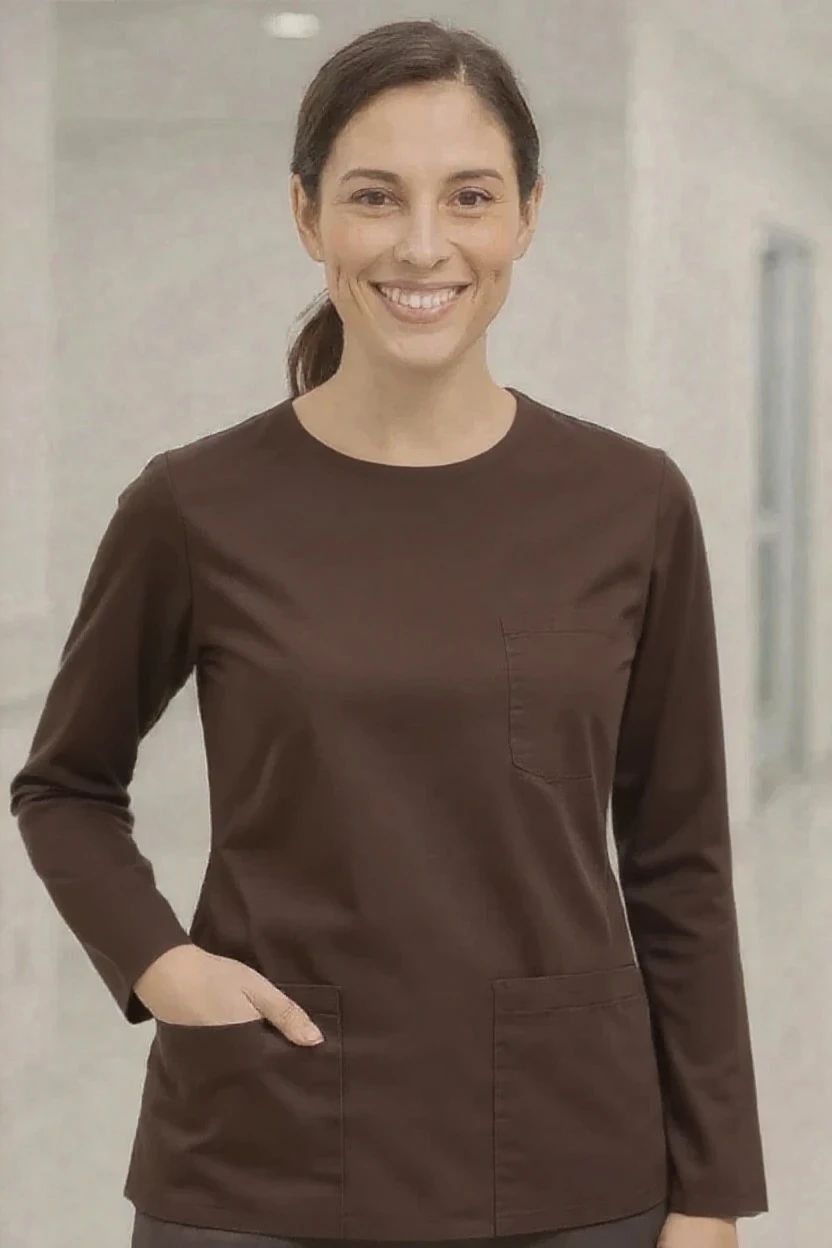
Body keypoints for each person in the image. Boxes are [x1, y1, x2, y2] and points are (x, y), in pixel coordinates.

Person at [8, 17, 768, 1248]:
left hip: (566, 1161)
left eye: (469, 196)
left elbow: (681, 866)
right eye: (375, 196)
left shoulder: (632, 505)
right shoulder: (195, 507)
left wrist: (713, 1192)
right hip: (262, 1156)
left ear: (526, 213)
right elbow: (65, 787)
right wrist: (161, 965)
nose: (424, 244)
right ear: (308, 217)